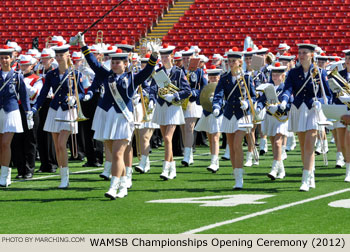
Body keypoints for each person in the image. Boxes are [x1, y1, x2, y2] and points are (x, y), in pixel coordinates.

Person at [77, 32, 158, 199]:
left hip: (123, 118)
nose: (114, 65)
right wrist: (83, 45)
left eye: (118, 62)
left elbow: (148, 71)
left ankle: (113, 186)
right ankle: (122, 184)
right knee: (111, 151)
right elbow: (93, 63)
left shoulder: (132, 78)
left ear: (125, 63)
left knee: (117, 154)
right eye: (113, 62)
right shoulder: (106, 76)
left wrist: (154, 56)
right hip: (107, 118)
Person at [279, 40, 332, 191]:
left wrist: (320, 101)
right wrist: (284, 99)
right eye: (300, 53)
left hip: (313, 110)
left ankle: (304, 179)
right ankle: (311, 174)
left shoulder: (320, 72)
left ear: (312, 55)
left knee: (309, 144)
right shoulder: (293, 72)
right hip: (298, 109)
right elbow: (288, 89)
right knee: (303, 147)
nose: (301, 56)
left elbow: (327, 94)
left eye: (304, 53)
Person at [32, 40, 85, 189]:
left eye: (62, 54)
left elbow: (81, 92)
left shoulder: (75, 73)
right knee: (57, 147)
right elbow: (43, 92)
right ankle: (63, 177)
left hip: (69, 110)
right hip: (55, 110)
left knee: (62, 144)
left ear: (68, 55)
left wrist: (75, 98)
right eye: (58, 55)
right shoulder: (51, 74)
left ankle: (65, 177)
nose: (59, 57)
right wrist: (35, 107)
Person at [212, 47, 256, 190]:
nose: (231, 64)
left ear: (240, 62)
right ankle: (236, 175)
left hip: (242, 115)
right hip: (228, 114)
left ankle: (240, 177)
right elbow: (218, 94)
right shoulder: (224, 78)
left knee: (237, 144)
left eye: (233, 61)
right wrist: (217, 106)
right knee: (231, 147)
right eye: (229, 61)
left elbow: (254, 97)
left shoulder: (247, 77)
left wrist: (248, 104)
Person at [150, 43, 191, 180]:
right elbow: (153, 88)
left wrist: (175, 96)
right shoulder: (158, 72)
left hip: (173, 107)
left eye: (167, 56)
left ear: (172, 56)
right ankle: (172, 169)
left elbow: (187, 91)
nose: (165, 58)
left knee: (168, 138)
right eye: (162, 56)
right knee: (166, 140)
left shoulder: (178, 72)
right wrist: (151, 100)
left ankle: (165, 167)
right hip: (161, 106)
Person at [0, 45, 31, 187]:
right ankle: (5, 173)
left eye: (6, 58)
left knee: (6, 143)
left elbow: (24, 96)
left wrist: (28, 112)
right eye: (1, 58)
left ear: (11, 59)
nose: (4, 60)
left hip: (12, 111)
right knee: (1, 144)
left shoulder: (17, 76)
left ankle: (4, 176)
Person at [256, 62, 293, 180]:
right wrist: (258, 107)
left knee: (278, 143)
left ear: (283, 76)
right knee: (274, 145)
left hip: (281, 118)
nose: (275, 77)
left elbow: (290, 104)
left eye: (277, 75)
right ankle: (281, 170)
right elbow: (262, 100)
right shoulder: (268, 86)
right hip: (270, 117)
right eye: (273, 75)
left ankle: (274, 169)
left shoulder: (286, 88)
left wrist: (279, 107)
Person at [11, 55, 43, 179]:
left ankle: (29, 169)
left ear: (32, 65)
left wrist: (22, 82)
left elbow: (34, 95)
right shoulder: (14, 78)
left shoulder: (37, 79)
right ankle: (20, 169)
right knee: (17, 141)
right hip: (16, 109)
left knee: (30, 140)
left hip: (30, 110)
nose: (23, 67)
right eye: (22, 65)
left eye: (26, 65)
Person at [181, 47, 208, 166]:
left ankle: (187, 155)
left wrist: (195, 93)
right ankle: (188, 151)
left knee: (189, 128)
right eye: (184, 58)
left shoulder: (199, 71)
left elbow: (204, 87)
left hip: (192, 102)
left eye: (188, 57)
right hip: (180, 102)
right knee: (183, 129)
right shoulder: (179, 70)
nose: (186, 60)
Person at [195, 65, 223, 172]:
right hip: (207, 114)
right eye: (211, 78)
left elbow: (225, 100)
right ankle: (214, 160)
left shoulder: (221, 87)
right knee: (210, 138)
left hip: (218, 114)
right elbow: (198, 101)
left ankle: (214, 162)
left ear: (218, 78)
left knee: (215, 137)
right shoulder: (205, 87)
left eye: (215, 78)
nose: (213, 79)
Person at [36, 48, 58, 173]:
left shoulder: (54, 71)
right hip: (42, 101)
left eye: (46, 58)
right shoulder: (40, 69)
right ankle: (44, 163)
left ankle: (52, 163)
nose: (43, 60)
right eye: (43, 58)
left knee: (50, 133)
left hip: (51, 100)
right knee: (41, 132)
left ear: (51, 59)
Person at [331, 49, 350, 182]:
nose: (348, 61)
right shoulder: (339, 75)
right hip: (341, 109)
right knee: (342, 142)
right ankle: (347, 162)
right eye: (347, 59)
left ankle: (349, 170)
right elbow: (333, 93)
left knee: (348, 141)